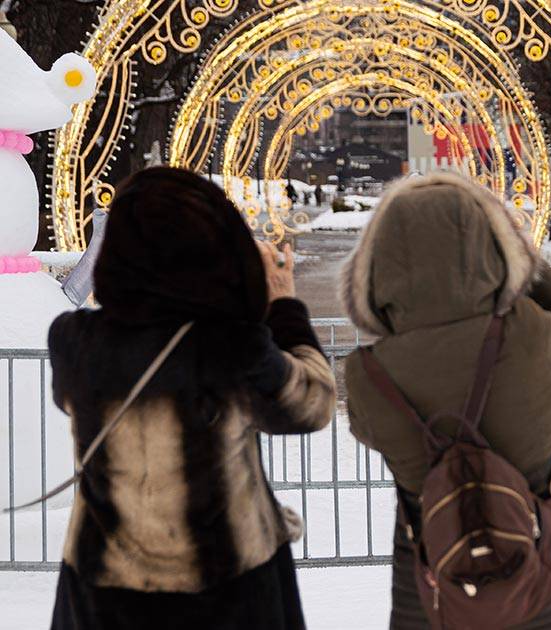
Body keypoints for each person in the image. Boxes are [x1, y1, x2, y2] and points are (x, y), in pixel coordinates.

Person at [48, 167, 336, 630]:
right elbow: (312, 404)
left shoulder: (74, 342)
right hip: (228, 589)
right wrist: (283, 306)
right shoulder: (230, 346)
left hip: (102, 593)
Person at [341, 172, 551, 628]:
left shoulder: (368, 375)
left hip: (438, 591)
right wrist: (523, 270)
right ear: (490, 248)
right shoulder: (526, 336)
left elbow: (370, 429)